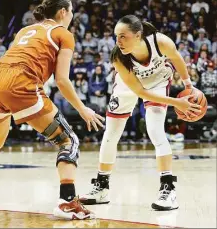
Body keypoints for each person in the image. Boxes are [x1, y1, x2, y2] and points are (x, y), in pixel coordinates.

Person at [0, 0, 104, 220]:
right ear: (63, 12)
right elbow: (62, 80)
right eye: (71, 13)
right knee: (68, 140)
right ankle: (67, 201)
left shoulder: (25, 30)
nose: (71, 18)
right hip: (19, 83)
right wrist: (82, 109)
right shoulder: (63, 34)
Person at [80, 15, 201, 211]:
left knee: (155, 131)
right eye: (116, 36)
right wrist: (177, 102)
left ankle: (168, 189)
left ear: (138, 35)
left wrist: (189, 86)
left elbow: (177, 59)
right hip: (129, 86)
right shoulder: (118, 56)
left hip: (158, 80)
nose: (118, 42)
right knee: (110, 134)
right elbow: (140, 92)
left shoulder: (160, 42)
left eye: (123, 36)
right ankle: (102, 187)